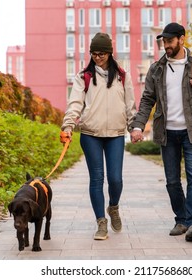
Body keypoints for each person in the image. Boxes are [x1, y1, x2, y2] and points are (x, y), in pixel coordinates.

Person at [130, 23, 192, 242]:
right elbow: (147, 100)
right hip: (167, 133)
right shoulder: (157, 68)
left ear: (182, 39)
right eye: (164, 42)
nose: (166, 46)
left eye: (170, 41)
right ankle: (181, 220)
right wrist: (137, 126)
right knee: (172, 181)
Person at [60, 32, 137, 240]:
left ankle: (113, 207)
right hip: (90, 134)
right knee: (97, 178)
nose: (98, 57)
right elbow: (75, 103)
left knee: (115, 179)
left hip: (115, 134)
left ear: (110, 53)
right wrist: (68, 125)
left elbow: (130, 106)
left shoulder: (122, 76)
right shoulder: (83, 77)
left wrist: (135, 127)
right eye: (94, 54)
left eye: (102, 53)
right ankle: (101, 223)